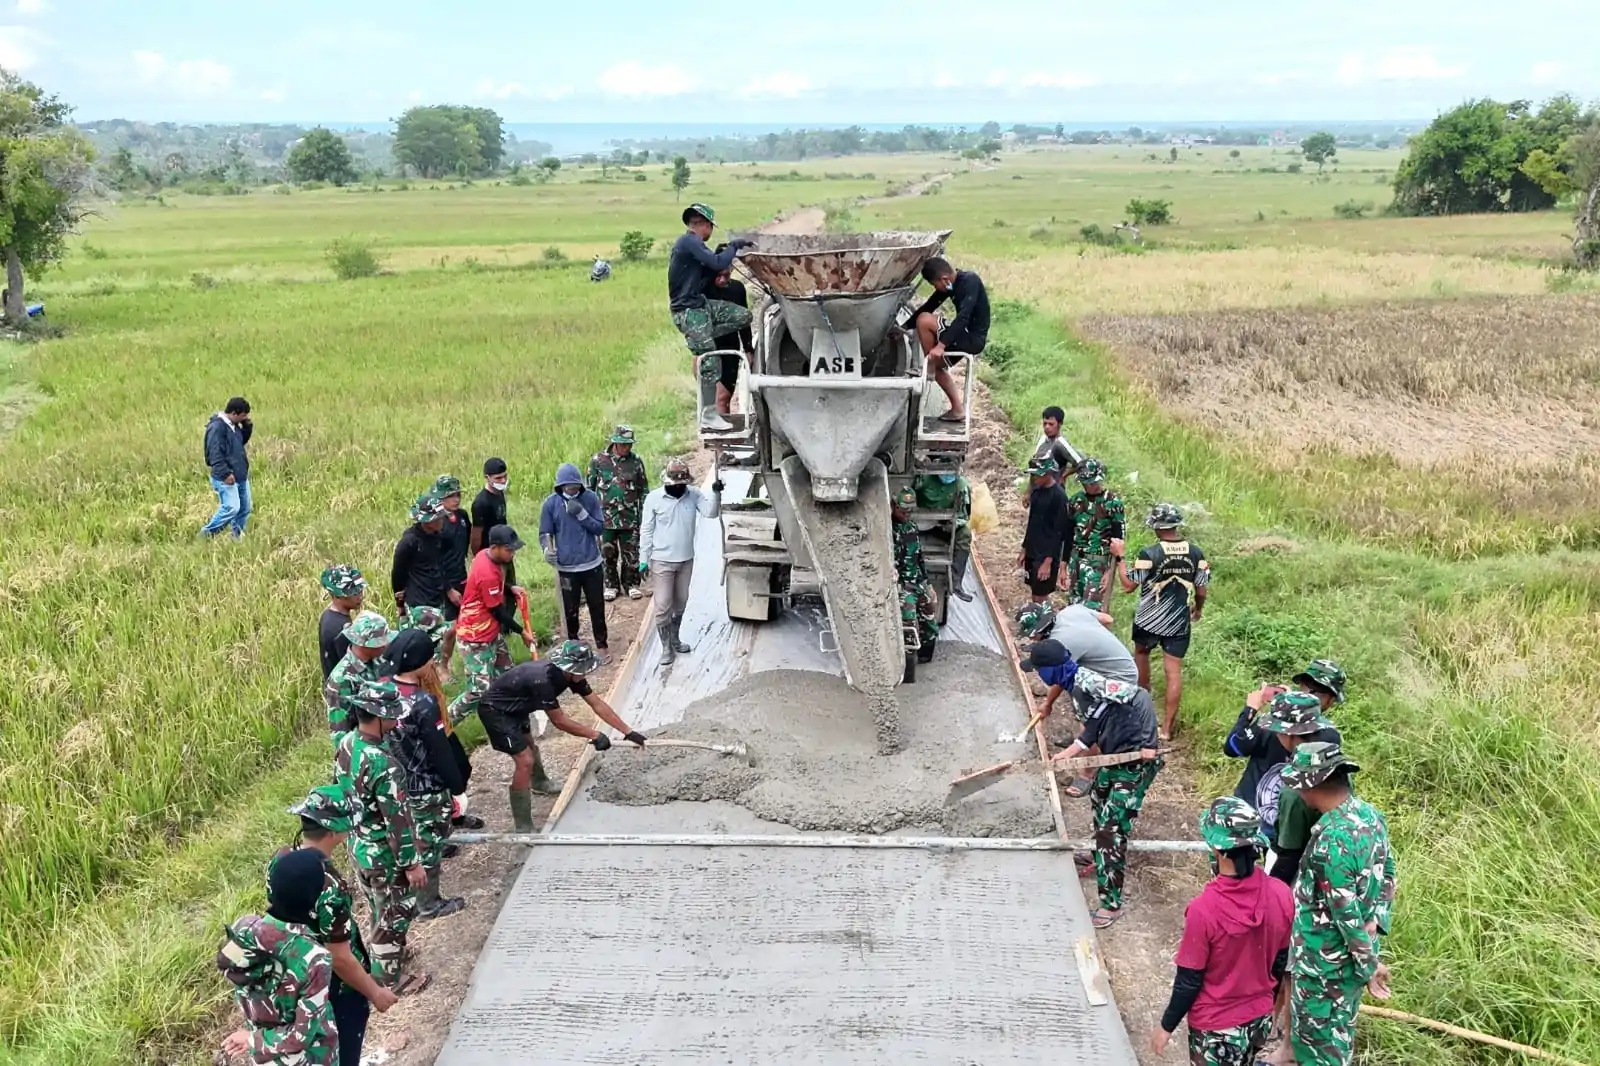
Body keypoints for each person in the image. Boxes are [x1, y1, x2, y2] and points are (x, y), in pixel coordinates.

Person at [1151, 797, 1292, 1065]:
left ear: (1217, 849)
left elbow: (1189, 980)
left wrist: (1166, 1027)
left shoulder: (1203, 910)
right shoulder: (1281, 894)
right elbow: (1279, 962)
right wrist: (1266, 1004)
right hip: (1258, 1019)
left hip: (1215, 1030)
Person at [1282, 742, 1396, 1066]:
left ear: (1312, 784)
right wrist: (1377, 919)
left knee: (1317, 1048)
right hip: (1346, 966)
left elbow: (1345, 914)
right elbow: (1388, 872)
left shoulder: (1331, 840)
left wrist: (1369, 964)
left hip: (1323, 967)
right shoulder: (1370, 816)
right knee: (1338, 1038)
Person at [268, 785, 398, 1066]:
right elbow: (339, 957)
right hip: (334, 989)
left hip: (291, 978)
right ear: (334, 831)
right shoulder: (329, 886)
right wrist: (375, 993)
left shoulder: (279, 861)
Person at [478, 640, 648, 831]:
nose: (586, 673)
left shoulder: (572, 676)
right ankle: (523, 826)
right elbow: (560, 721)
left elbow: (597, 704)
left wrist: (628, 732)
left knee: (530, 747)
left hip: (519, 707)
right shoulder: (542, 681)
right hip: (496, 711)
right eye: (583, 669)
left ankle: (539, 782)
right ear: (571, 669)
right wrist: (595, 735)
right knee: (525, 760)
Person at [335, 679, 429, 995]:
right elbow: (397, 822)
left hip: (358, 844)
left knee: (379, 908)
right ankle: (388, 980)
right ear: (378, 716)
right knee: (393, 915)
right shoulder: (384, 764)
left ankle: (388, 956)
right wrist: (411, 863)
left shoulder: (348, 743)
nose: (396, 720)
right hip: (383, 855)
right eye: (391, 714)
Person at [1051, 666, 1161, 928]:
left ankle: (1110, 905)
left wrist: (1149, 743)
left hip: (1134, 767)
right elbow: (1088, 735)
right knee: (1098, 795)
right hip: (1113, 762)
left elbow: (1143, 696)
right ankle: (1097, 853)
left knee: (1111, 832)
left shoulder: (1108, 692)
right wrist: (1063, 756)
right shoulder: (1096, 704)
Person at [218, 847, 338, 1065]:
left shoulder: (243, 930)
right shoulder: (315, 959)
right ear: (313, 897)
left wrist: (252, 1037)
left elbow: (234, 975)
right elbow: (300, 1037)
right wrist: (253, 1040)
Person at [382, 628, 468, 922]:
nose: (432, 662)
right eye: (429, 658)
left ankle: (407, 896)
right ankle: (428, 904)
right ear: (417, 661)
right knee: (430, 844)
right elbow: (439, 749)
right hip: (426, 785)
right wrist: (456, 786)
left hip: (397, 782)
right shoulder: (423, 702)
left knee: (409, 837)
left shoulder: (383, 689)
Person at [1120, 502, 1210, 740]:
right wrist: (1198, 610)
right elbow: (1201, 590)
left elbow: (1128, 585)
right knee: (1174, 673)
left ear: (1156, 527)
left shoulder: (1149, 554)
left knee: (1141, 654)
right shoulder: (1196, 553)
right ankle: (1167, 729)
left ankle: (1141, 710)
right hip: (1178, 622)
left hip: (1148, 620)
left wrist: (1120, 558)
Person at [1224, 664, 1345, 821]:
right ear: (1330, 700)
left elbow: (1232, 747)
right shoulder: (1330, 737)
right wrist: (1288, 707)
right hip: (1288, 825)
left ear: (1301, 685)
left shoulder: (1269, 725)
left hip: (1246, 815)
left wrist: (1251, 709)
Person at [1269, 660, 1348, 887]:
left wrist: (1269, 892)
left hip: (1306, 872)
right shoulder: (1335, 762)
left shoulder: (1295, 789)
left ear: (1288, 734)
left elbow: (1288, 855)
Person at [640, 459, 722, 666]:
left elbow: (710, 513)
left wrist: (716, 493)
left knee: (681, 601)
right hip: (661, 560)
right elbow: (647, 529)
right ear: (667, 482)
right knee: (662, 604)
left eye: (682, 484)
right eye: (675, 485)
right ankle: (666, 647)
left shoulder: (693, 494)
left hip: (685, 559)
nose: (679, 488)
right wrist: (643, 559)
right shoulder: (654, 499)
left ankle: (675, 638)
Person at [448, 524, 532, 725]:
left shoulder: (484, 556)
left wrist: (509, 588)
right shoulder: (487, 572)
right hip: (475, 637)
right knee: (478, 690)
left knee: (508, 675)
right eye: (509, 550)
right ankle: (446, 721)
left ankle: (514, 718)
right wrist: (522, 632)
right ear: (495, 547)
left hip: (491, 632)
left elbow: (492, 588)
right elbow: (497, 611)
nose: (512, 554)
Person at [904, 256, 988, 422]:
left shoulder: (970, 281)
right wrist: (904, 327)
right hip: (963, 334)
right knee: (924, 317)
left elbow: (963, 317)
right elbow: (929, 305)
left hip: (972, 338)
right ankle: (957, 408)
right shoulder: (950, 285)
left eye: (935, 285)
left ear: (944, 279)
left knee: (924, 320)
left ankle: (931, 366)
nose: (937, 289)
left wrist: (941, 345)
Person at [540, 463, 609, 650]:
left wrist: (582, 514)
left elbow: (599, 528)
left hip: (591, 564)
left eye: (576, 486)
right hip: (567, 568)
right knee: (570, 609)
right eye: (569, 487)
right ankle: (573, 645)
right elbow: (545, 533)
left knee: (597, 606)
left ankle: (602, 644)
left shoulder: (590, 498)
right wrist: (547, 551)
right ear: (561, 486)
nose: (573, 490)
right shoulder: (551, 504)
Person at [588, 425, 651, 602]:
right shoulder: (598, 461)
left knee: (631, 553)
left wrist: (644, 513)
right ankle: (611, 585)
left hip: (629, 517)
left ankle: (631, 584)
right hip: (606, 518)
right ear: (615, 442)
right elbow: (590, 489)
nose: (626, 448)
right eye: (623, 444)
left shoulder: (636, 462)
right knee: (607, 553)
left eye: (629, 444)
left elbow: (643, 489)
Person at [1064, 457, 1126, 613]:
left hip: (1098, 562)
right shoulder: (1076, 501)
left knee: (1092, 610)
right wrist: (1063, 565)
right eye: (1088, 483)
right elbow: (1068, 534)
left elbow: (1118, 540)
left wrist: (1109, 572)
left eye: (1095, 482)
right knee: (1073, 607)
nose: (1093, 486)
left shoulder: (1112, 503)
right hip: (1076, 560)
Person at [323, 611, 394, 743]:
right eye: (380, 641)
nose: (385, 645)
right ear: (363, 644)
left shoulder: (377, 660)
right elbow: (340, 733)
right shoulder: (341, 680)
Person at [391, 495, 452, 636]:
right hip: (419, 603)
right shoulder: (409, 542)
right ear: (427, 521)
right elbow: (398, 575)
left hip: (437, 599)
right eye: (438, 518)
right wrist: (400, 604)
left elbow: (439, 564)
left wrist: (448, 588)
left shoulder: (438, 536)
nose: (442, 520)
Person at [891, 487, 939, 664]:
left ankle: (925, 656)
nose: (906, 514)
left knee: (929, 614)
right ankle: (907, 662)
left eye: (910, 511)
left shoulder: (912, 528)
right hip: (901, 585)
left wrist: (927, 583)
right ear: (894, 506)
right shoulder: (887, 531)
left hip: (916, 581)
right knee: (909, 622)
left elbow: (919, 558)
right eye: (903, 510)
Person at [430, 475, 472, 675]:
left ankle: (470, 663)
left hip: (462, 576)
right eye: (450, 496)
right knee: (451, 628)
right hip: (445, 583)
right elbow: (435, 561)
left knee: (469, 622)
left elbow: (465, 545)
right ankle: (442, 665)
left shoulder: (462, 516)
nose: (456, 499)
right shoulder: (437, 523)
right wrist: (448, 589)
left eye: (457, 495)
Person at [705, 247, 754, 417]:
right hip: (709, 348)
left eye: (726, 275)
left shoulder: (737, 289)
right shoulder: (703, 288)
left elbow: (744, 322)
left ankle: (724, 427)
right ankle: (714, 429)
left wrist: (748, 349)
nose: (722, 280)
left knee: (725, 397)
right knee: (715, 398)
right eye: (718, 275)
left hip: (730, 347)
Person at [912, 469, 974, 602]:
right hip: (918, 523)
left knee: (965, 535)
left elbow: (964, 515)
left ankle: (956, 583)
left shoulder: (961, 486)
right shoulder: (923, 479)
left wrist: (952, 525)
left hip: (943, 525)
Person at [201, 396, 254, 538]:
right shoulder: (217, 428)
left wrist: (247, 427)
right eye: (243, 415)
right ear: (234, 413)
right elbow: (214, 453)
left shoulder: (233, 425)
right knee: (231, 508)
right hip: (226, 477)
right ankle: (206, 535)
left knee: (245, 508)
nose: (245, 418)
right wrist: (225, 474)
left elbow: (239, 441)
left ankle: (237, 536)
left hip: (240, 474)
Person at [1019, 456, 1069, 603]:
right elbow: (1032, 522)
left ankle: (1043, 616)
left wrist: (1048, 562)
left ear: (1048, 474)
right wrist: (1024, 548)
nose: (1034, 479)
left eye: (1037, 475)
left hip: (1046, 554)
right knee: (1034, 590)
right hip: (1033, 550)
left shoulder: (1059, 497)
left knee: (1041, 594)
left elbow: (1059, 533)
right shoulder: (1036, 492)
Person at [317, 565, 366, 681]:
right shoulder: (342, 629)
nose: (360, 596)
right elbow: (353, 670)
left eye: (360, 591)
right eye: (354, 593)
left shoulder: (327, 615)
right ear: (337, 596)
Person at [469, 458, 511, 558]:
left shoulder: (499, 493)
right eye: (498, 478)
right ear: (487, 478)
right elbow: (476, 536)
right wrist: (479, 558)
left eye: (505, 476)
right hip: (489, 553)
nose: (503, 481)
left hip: (503, 549)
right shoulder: (481, 503)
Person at [1033, 405, 1082, 476]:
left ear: (1060, 424)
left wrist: (1064, 475)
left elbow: (1080, 462)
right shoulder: (1043, 438)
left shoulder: (1061, 443)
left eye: (1051, 424)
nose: (1047, 427)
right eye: (1045, 423)